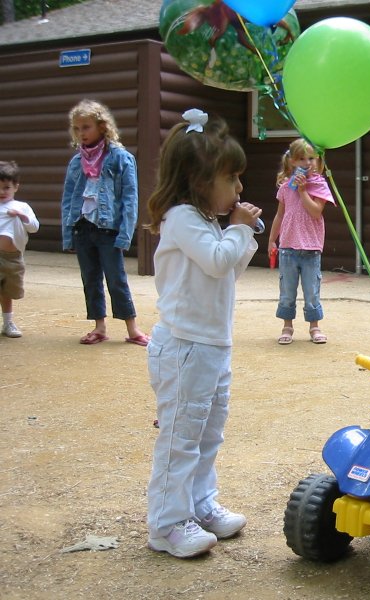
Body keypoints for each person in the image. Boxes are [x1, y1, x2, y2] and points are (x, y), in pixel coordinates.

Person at [145, 109, 262, 558]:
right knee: (181, 438)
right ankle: (167, 524)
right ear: (198, 180)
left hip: (212, 347)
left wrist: (242, 235)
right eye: (231, 178)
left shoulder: (209, 221)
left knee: (208, 434)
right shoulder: (181, 218)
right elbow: (216, 261)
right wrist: (238, 229)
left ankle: (199, 504)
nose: (239, 189)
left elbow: (228, 270)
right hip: (184, 348)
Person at [61, 99, 149, 346]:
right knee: (90, 278)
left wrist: (125, 234)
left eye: (86, 127)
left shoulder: (121, 158)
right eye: (77, 129)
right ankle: (99, 327)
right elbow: (68, 198)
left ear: (102, 126)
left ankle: (132, 328)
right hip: (82, 228)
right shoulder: (76, 162)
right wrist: (68, 234)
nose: (81, 133)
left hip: (108, 230)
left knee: (116, 278)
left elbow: (130, 199)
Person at [267, 138, 335, 345]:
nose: (307, 163)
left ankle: (314, 327)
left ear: (318, 160)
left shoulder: (319, 185)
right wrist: (272, 240)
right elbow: (280, 215)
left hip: (311, 249)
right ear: (292, 162)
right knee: (287, 291)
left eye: (311, 158)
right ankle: (287, 326)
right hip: (288, 248)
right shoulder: (285, 188)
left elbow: (316, 212)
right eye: (302, 159)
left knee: (311, 291)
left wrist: (303, 191)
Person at [0, 161, 39, 338]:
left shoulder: (22, 207)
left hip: (13, 258)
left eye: (6, 187)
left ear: (16, 187)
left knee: (8, 291)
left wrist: (22, 217)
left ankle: (8, 322)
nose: (2, 192)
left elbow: (34, 227)